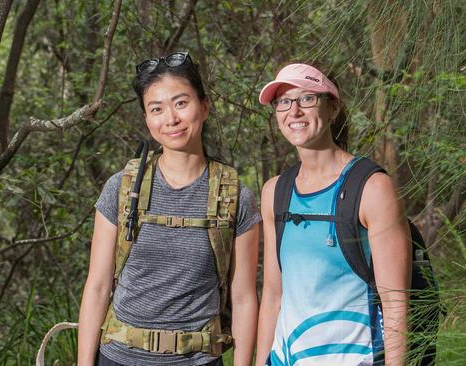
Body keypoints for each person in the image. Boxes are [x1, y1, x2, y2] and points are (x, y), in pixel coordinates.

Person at [77, 52, 261, 366]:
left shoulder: (235, 197)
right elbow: (97, 285)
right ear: (147, 118)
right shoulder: (121, 188)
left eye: (181, 103)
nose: (170, 119)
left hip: (198, 360)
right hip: (119, 357)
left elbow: (243, 296)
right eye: (156, 109)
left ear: (204, 106)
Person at [255, 63, 411, 366]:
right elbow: (274, 295)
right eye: (283, 102)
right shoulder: (275, 191)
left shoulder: (372, 188)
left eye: (307, 99)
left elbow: (396, 302)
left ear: (333, 107)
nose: (294, 112)